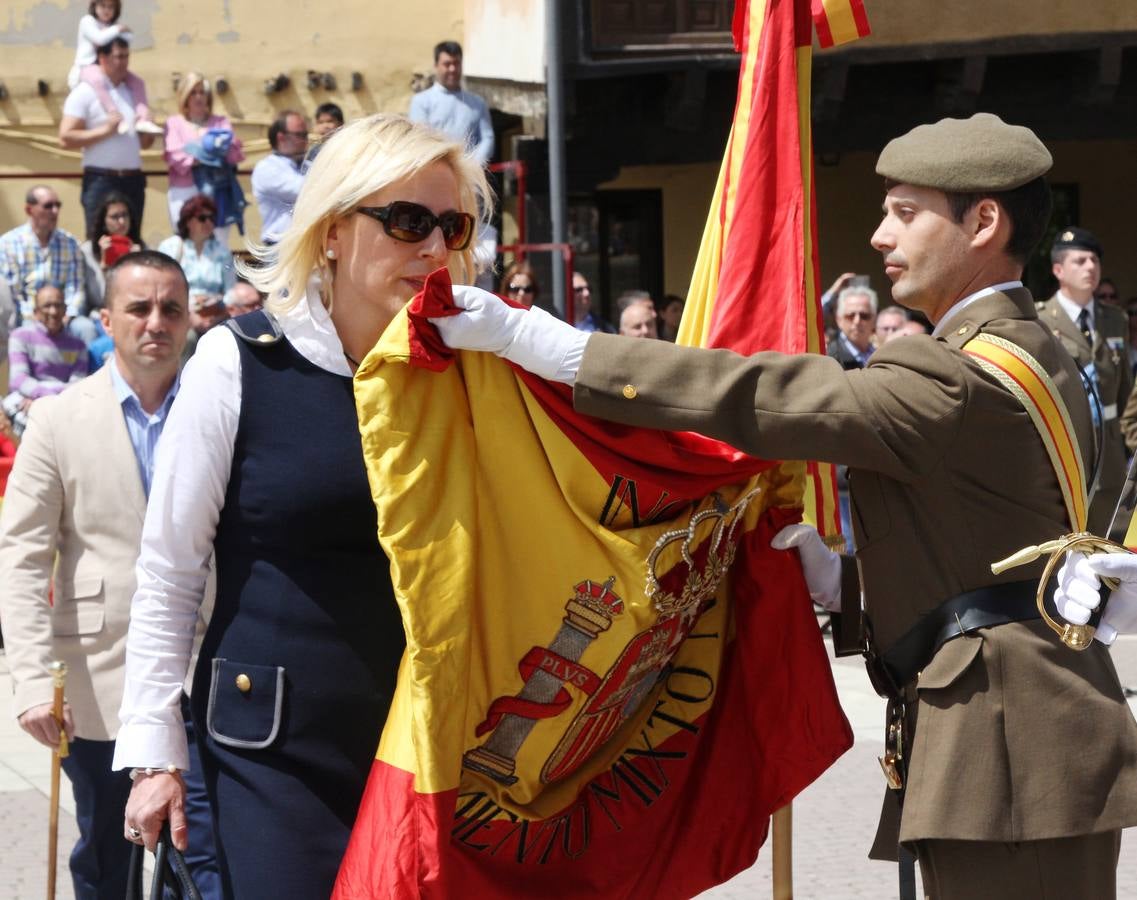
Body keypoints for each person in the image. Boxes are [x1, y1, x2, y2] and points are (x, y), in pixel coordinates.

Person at [431, 113, 1137, 898]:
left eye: (905, 212)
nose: (878, 234)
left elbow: (771, 394)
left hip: (1008, 749)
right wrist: (846, 584)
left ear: (982, 222)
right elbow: (983, 536)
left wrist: (564, 352)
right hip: (1016, 734)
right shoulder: (1038, 350)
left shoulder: (953, 375)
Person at [114, 114, 490, 899]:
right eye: (407, 221)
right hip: (268, 760)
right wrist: (154, 756)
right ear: (329, 233)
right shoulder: (239, 361)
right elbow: (170, 568)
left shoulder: (468, 373)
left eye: (451, 227)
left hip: (422, 748)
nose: (434, 250)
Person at [0, 251, 220, 900]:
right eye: (139, 308)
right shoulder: (57, 418)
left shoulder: (221, 411)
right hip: (100, 681)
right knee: (106, 858)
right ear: (106, 319)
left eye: (171, 309)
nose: (156, 322)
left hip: (210, 675)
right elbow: (21, 557)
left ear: (188, 320)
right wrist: (34, 680)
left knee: (201, 856)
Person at [1036, 227, 1131, 537]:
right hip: (1067, 450)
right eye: (1080, 261)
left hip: (1113, 457)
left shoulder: (1115, 319)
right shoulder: (1040, 322)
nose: (1091, 267)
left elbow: (1126, 392)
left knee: (1113, 547)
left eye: (1094, 260)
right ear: (1058, 270)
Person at [60, 36, 155, 239]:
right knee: (98, 240)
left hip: (133, 178)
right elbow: (66, 137)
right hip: (100, 179)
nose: (122, 63)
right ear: (102, 58)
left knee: (132, 239)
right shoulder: (84, 92)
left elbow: (144, 144)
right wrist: (105, 131)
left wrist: (148, 130)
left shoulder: (133, 92)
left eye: (126, 57)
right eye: (117, 57)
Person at [0, 186, 95, 343]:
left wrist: (67, 316)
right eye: (48, 206)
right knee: (27, 333)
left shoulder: (70, 243)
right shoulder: (8, 244)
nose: (55, 211)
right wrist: (36, 318)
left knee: (86, 329)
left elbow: (76, 287)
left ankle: (88, 369)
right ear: (29, 210)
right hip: (28, 317)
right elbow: (14, 294)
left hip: (64, 316)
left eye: (58, 205)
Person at [163, 72, 245, 236]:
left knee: (218, 240)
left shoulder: (221, 122)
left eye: (202, 92)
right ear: (185, 96)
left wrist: (194, 150)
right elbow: (175, 155)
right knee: (185, 241)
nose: (198, 97)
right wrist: (210, 149)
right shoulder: (174, 123)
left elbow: (231, 150)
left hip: (217, 191)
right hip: (183, 190)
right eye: (193, 92)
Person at [3, 285, 89, 436]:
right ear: (35, 312)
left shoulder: (78, 346)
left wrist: (46, 400)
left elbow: (77, 385)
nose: (53, 311)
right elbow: (18, 379)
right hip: (27, 402)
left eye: (58, 305)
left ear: (65, 309)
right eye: (47, 306)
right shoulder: (20, 336)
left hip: (61, 404)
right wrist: (44, 396)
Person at [66, 1, 159, 135]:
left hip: (107, 70)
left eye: (111, 7)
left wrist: (114, 30)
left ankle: (144, 119)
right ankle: (116, 116)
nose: (106, 10)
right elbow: (99, 39)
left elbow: (128, 37)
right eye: (103, 6)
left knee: (137, 82)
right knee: (98, 80)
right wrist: (116, 30)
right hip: (86, 67)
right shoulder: (87, 21)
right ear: (95, 6)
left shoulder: (111, 26)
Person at [408, 40, 494, 165]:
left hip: (470, 177)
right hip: (434, 173)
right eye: (447, 64)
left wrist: (471, 166)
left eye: (456, 63)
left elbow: (487, 138)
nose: (452, 69)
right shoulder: (421, 102)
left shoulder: (477, 103)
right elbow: (420, 140)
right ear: (436, 65)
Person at [157, 194, 235, 310]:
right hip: (180, 310)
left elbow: (231, 290)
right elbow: (161, 286)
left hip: (213, 313)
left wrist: (214, 302)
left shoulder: (223, 252)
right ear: (188, 221)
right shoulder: (170, 247)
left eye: (212, 218)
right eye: (202, 218)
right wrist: (191, 302)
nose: (208, 223)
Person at [251, 110, 308, 244]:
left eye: (306, 134)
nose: (305, 140)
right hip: (279, 247)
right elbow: (305, 190)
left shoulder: (304, 164)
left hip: (304, 244)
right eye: (300, 135)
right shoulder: (267, 167)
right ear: (281, 137)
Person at [79, 191, 142, 311]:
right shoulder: (88, 250)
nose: (122, 222)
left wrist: (137, 263)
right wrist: (104, 266)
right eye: (115, 217)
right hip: (101, 312)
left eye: (125, 215)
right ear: (104, 221)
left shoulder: (140, 247)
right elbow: (99, 299)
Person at [827, 285, 877, 368]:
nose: (857, 321)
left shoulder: (881, 355)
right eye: (850, 316)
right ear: (839, 320)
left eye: (864, 316)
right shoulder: (830, 358)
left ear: (874, 319)